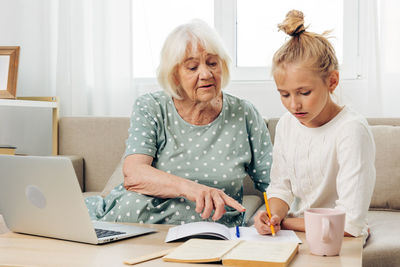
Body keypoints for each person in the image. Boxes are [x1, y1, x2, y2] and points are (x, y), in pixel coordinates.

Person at [85, 19, 273, 227]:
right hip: (137, 225)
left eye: (212, 63)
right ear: (174, 76)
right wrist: (194, 189)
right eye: (192, 67)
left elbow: (274, 183)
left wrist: (274, 217)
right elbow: (134, 174)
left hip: (214, 233)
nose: (206, 74)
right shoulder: (151, 107)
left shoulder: (244, 114)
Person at [254, 10, 376, 241]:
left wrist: (286, 223)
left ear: (332, 81)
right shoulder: (287, 125)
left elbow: (350, 223)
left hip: (339, 238)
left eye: (304, 92)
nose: (293, 105)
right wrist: (273, 216)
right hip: (296, 233)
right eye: (284, 94)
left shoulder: (351, 130)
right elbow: (281, 189)